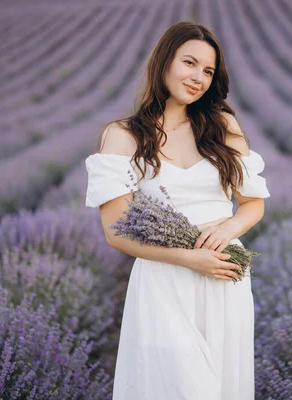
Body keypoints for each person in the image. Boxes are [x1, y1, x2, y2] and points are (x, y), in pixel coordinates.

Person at [84, 21, 270, 399]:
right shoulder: (123, 135)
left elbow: (253, 204)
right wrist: (189, 259)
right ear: (164, 62)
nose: (198, 77)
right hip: (164, 281)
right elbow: (115, 232)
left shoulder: (222, 126)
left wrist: (228, 229)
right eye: (189, 63)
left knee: (220, 385)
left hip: (224, 276)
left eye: (208, 71)